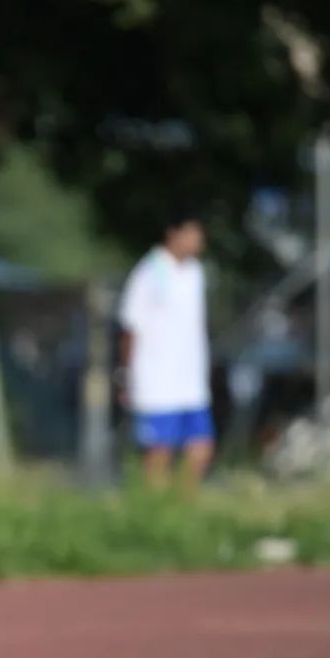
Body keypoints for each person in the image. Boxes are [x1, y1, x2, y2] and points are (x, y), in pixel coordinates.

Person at [116, 210, 213, 490]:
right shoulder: (150, 272)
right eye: (192, 235)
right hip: (156, 381)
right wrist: (126, 374)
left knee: (201, 447)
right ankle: (156, 509)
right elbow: (130, 327)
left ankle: (183, 507)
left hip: (190, 382)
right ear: (173, 234)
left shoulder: (195, 272)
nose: (197, 242)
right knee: (159, 452)